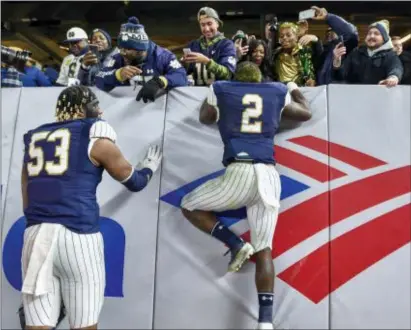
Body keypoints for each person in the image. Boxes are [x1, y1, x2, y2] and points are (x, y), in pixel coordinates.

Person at [180, 61, 311, 330]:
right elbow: (304, 114)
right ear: (260, 77)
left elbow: (205, 117)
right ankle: (265, 322)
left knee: (188, 205)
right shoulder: (274, 90)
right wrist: (294, 88)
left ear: (235, 77)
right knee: (265, 250)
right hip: (269, 175)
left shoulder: (221, 87)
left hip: (239, 170)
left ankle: (236, 244)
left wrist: (221, 107)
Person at [20, 86, 162, 329]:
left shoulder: (34, 137)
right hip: (78, 236)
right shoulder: (94, 132)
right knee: (84, 324)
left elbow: (26, 196)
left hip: (36, 236)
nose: (100, 111)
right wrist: (148, 168)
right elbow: (134, 182)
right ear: (84, 108)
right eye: (96, 106)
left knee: (37, 325)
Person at [95, 17, 187, 102]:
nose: (122, 55)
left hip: (159, 109)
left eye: (126, 52)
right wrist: (117, 74)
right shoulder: (119, 57)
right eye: (121, 50)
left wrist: (160, 81)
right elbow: (99, 78)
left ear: (140, 51)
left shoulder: (162, 56)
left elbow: (181, 75)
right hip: (128, 110)